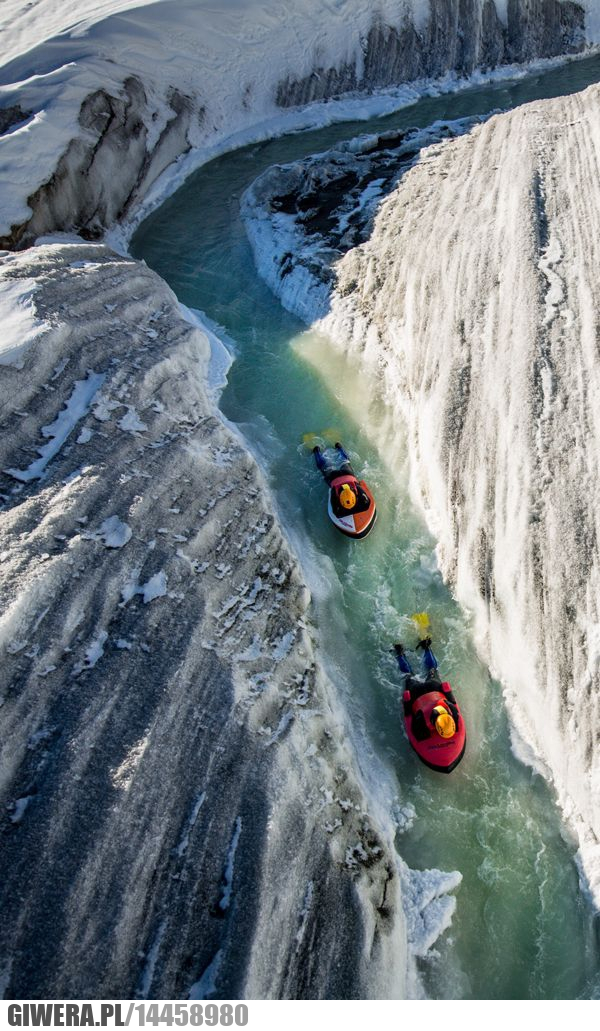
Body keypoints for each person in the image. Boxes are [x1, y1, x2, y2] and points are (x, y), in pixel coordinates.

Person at [313, 443, 370, 515]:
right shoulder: (335, 492)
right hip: (334, 477)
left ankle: (337, 447)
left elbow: (336, 513)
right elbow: (335, 511)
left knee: (345, 461)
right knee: (323, 466)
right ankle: (317, 451)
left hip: (347, 474)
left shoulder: (355, 487)